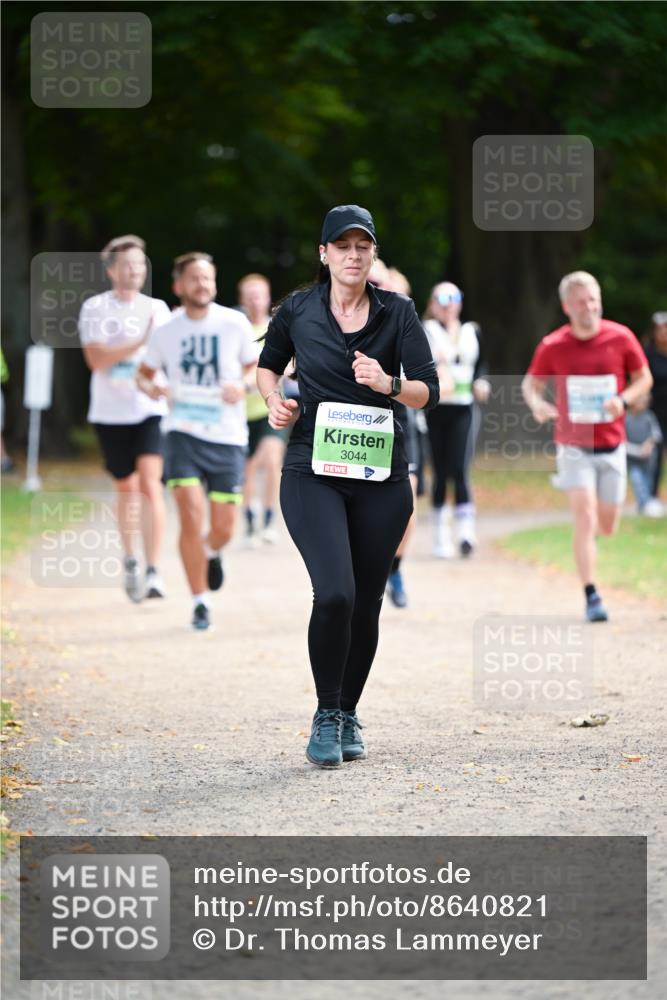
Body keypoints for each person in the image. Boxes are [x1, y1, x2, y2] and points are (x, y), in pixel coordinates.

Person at [256, 204, 439, 768]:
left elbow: (430, 390)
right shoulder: (299, 309)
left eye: (363, 246)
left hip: (381, 478)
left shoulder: (398, 312)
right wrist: (273, 404)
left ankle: (348, 712)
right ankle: (325, 712)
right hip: (312, 468)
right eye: (343, 246)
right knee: (334, 592)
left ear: (373, 254)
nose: (353, 255)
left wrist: (389, 382)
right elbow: (267, 365)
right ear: (325, 253)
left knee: (366, 603)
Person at [522, 271, 652, 623]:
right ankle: (592, 595)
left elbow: (644, 379)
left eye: (593, 299)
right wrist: (537, 405)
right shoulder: (553, 345)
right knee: (586, 516)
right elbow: (531, 385)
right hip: (573, 446)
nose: (589, 307)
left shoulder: (620, 337)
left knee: (607, 525)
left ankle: (591, 539)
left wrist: (622, 400)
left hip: (612, 446)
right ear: (567, 306)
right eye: (581, 302)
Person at [137, 252, 259, 630]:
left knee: (224, 527)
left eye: (207, 278)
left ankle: (211, 552)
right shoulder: (166, 331)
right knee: (190, 515)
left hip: (227, 437)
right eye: (194, 279)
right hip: (182, 433)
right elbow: (143, 374)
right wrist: (152, 387)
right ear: (179, 286)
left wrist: (242, 385)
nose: (202, 285)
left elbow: (256, 367)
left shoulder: (234, 323)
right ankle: (199, 602)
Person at [79, 235, 170, 602]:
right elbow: (97, 360)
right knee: (126, 487)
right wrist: (140, 340)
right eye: (129, 265)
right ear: (112, 270)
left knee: (150, 483)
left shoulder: (159, 308)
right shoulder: (95, 308)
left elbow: (166, 357)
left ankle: (154, 570)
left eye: (141, 264)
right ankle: (130, 557)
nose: (136, 270)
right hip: (110, 412)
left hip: (150, 409)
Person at [423, 282, 490, 558]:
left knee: (460, 468)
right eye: (443, 298)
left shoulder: (471, 331)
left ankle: (465, 532)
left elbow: (481, 364)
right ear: (434, 302)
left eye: (454, 297)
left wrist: (482, 382)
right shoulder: (427, 331)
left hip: (464, 407)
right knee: (440, 471)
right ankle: (440, 536)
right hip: (437, 408)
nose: (449, 303)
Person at [238, 273, 288, 545]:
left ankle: (269, 518)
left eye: (260, 295)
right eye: (250, 296)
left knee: (271, 462)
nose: (255, 301)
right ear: (243, 300)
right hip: (239, 414)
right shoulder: (236, 329)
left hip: (269, 408)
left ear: (268, 298)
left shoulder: (277, 329)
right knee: (246, 469)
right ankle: (248, 521)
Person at [625, 394, 663, 515]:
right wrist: (636, 450)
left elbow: (656, 434)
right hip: (633, 459)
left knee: (648, 481)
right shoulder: (627, 419)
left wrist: (649, 445)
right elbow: (623, 440)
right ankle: (645, 505)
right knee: (637, 481)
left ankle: (643, 505)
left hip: (648, 459)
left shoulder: (648, 417)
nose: (643, 405)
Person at [645, 311, 667, 510]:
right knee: (656, 457)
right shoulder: (648, 355)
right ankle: (651, 497)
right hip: (655, 415)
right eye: (660, 330)